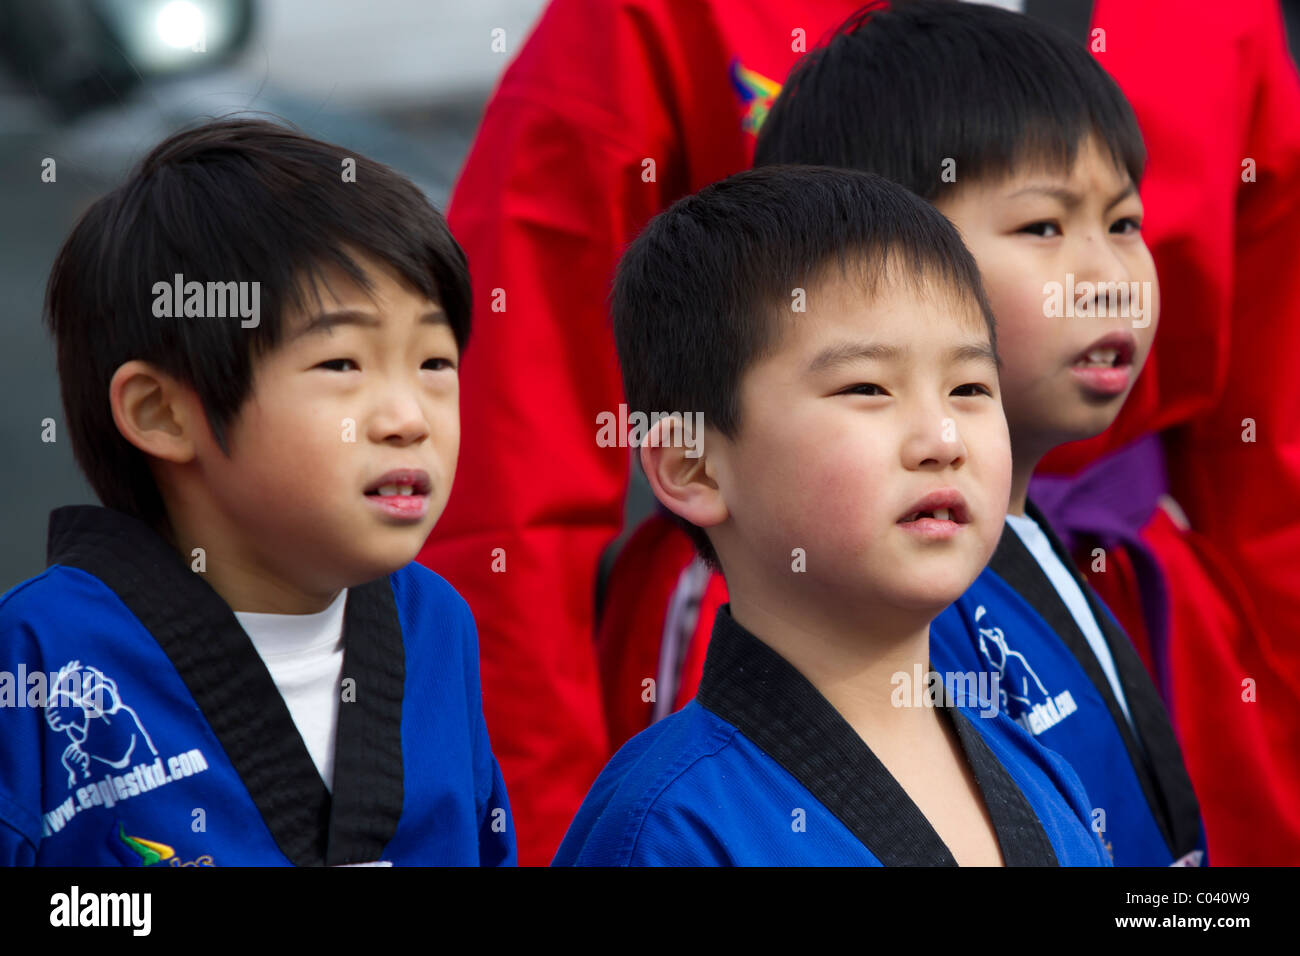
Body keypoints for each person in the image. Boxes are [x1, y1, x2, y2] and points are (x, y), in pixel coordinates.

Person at [751, 0, 1204, 866]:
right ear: (881, 267)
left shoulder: (1023, 545)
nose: (1109, 279)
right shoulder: (900, 603)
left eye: (1125, 224)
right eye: (1043, 226)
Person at [554, 165, 1109, 866]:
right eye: (868, 388)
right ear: (693, 465)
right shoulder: (667, 827)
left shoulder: (1038, 771)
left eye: (969, 387)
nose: (942, 441)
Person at [0, 119, 514, 866]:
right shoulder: (36, 659)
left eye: (435, 362)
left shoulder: (435, 624)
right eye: (342, 364)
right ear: (161, 412)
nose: (409, 420)